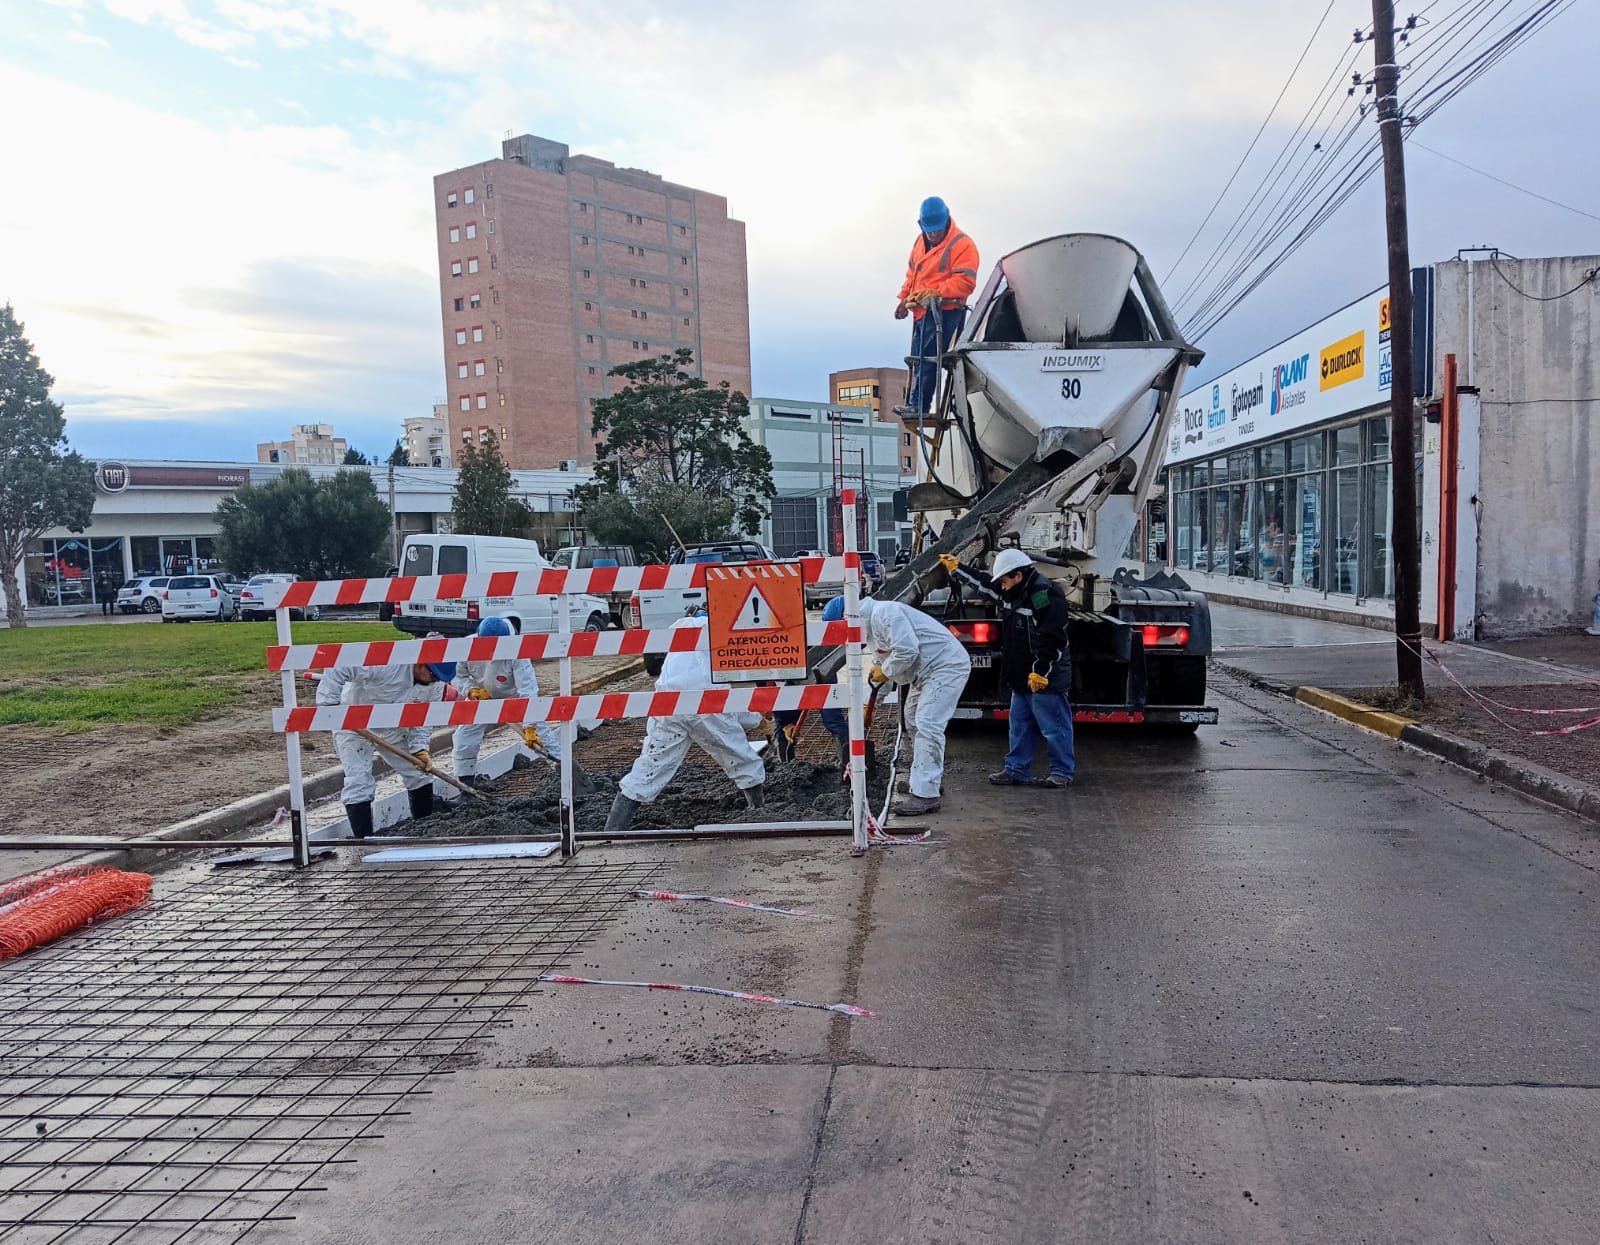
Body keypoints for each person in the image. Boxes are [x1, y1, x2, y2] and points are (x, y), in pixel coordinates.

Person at [604, 610, 766, 834]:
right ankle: (759, 812)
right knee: (742, 759)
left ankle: (612, 831)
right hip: (706, 703)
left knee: (648, 768)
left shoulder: (679, 632)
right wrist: (759, 721)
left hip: (667, 705)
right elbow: (724, 701)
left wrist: (755, 720)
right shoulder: (717, 634)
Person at [940, 549, 1074, 788]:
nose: (1001, 587)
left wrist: (1041, 671)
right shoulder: (1013, 591)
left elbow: (1053, 637)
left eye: (1004, 581)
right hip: (1021, 674)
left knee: (1054, 727)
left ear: (1018, 576)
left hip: (1045, 676)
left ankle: (1061, 772)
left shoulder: (1045, 596)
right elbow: (985, 585)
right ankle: (1016, 769)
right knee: (1019, 726)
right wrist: (958, 568)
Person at [318, 654, 457, 838]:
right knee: (358, 780)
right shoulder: (389, 662)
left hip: (392, 727)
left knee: (418, 774)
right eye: (433, 675)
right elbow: (341, 664)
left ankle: (423, 830)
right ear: (421, 663)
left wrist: (419, 748)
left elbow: (423, 719)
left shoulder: (432, 685)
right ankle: (364, 840)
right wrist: (329, 704)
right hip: (353, 723)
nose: (434, 681)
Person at [856, 595, 971, 815]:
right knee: (911, 718)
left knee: (928, 723)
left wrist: (886, 671)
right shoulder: (873, 628)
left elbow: (907, 651)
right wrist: (869, 705)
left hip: (945, 666)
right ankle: (926, 781)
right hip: (926, 672)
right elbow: (882, 672)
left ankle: (926, 796)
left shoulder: (885, 613)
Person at [451, 615, 563, 792]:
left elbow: (527, 691)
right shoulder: (467, 647)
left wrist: (530, 727)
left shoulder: (517, 652)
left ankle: (564, 774)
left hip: (513, 698)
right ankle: (466, 788)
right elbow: (456, 675)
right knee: (464, 739)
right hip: (480, 697)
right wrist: (470, 690)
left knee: (542, 740)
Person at [893, 196, 980, 417]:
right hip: (922, 313)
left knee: (928, 357)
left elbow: (965, 282)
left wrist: (938, 293)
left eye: (936, 230)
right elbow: (912, 275)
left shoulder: (962, 245)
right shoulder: (919, 244)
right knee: (919, 358)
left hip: (946, 313)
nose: (932, 235)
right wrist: (904, 299)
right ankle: (915, 404)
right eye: (929, 230)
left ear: (946, 222)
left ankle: (919, 406)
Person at [773, 595, 854, 771]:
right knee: (785, 721)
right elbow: (778, 684)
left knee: (833, 720)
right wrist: (785, 721)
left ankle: (848, 764)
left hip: (823, 671)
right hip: (800, 673)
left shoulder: (837, 635)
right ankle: (786, 768)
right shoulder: (795, 640)